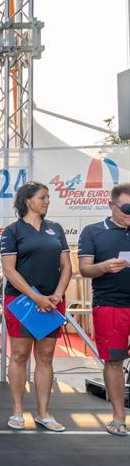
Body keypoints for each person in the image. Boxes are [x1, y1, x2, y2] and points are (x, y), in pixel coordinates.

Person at [0, 181, 72, 432]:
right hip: (21, 302)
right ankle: (18, 411)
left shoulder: (56, 229)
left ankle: (43, 413)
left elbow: (67, 267)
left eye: (48, 197)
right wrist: (35, 297)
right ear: (27, 201)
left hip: (52, 303)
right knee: (19, 355)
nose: (47, 201)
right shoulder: (12, 231)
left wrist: (57, 295)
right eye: (43, 197)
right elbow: (9, 270)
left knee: (45, 356)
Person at [77, 182, 130, 436]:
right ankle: (118, 417)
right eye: (127, 208)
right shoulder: (93, 231)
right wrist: (105, 266)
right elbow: (84, 269)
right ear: (111, 205)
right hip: (110, 305)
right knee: (114, 360)